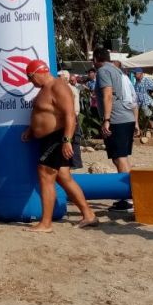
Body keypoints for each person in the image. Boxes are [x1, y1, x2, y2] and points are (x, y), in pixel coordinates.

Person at [21, 60, 98, 232]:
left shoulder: (58, 86)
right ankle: (88, 215)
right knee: (63, 177)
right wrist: (31, 129)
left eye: (30, 77)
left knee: (45, 174)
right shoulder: (44, 89)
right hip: (49, 138)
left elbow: (70, 115)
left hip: (57, 137)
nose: (29, 81)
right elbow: (45, 112)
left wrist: (66, 140)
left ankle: (46, 223)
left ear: (39, 72)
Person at [93, 48, 135, 210]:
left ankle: (128, 199)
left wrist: (106, 120)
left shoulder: (103, 71)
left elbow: (108, 95)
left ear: (96, 59)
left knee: (119, 158)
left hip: (116, 119)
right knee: (122, 157)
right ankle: (130, 194)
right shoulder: (117, 70)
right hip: (126, 117)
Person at [132, 69, 153, 141]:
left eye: (135, 73)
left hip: (146, 102)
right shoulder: (137, 82)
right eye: (134, 73)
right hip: (138, 103)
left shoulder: (146, 80)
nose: (134, 75)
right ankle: (142, 133)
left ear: (140, 73)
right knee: (142, 118)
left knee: (149, 117)